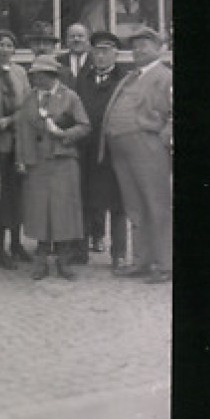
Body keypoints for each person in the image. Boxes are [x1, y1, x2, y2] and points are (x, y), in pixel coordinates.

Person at [100, 27, 172, 284]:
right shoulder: (130, 77)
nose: (138, 49)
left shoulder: (165, 76)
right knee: (135, 206)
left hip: (147, 148)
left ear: (159, 48)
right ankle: (143, 260)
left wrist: (163, 139)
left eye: (145, 44)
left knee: (157, 204)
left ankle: (165, 263)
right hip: (121, 150)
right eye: (135, 45)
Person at [14, 54, 91, 281]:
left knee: (63, 211)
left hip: (63, 161)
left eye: (38, 75)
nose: (34, 79)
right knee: (39, 211)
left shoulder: (70, 97)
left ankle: (63, 259)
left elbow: (85, 126)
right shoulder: (29, 98)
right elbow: (21, 129)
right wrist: (20, 158)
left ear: (51, 76)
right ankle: (41, 258)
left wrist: (64, 135)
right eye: (33, 75)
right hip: (36, 162)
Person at [75, 30, 129, 268]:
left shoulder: (125, 80)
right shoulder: (83, 79)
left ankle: (118, 254)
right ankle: (80, 251)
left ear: (116, 54)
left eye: (106, 51)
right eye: (96, 51)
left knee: (118, 204)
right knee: (85, 199)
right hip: (86, 150)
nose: (100, 56)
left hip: (113, 151)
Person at [0, 29, 32, 267]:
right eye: (1, 45)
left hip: (17, 140)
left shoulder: (19, 73)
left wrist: (11, 120)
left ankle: (16, 243)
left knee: (17, 194)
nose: (4, 49)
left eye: (9, 45)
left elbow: (26, 105)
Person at [58, 23, 93, 87]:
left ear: (88, 40)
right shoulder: (58, 62)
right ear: (66, 40)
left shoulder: (96, 61)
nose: (76, 39)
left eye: (80, 36)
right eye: (72, 36)